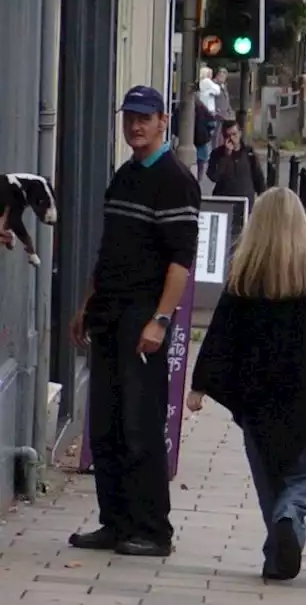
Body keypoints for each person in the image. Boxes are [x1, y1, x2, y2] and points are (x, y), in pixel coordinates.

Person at [186, 188, 306, 581]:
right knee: (302, 476)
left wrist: (200, 385)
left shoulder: (245, 271)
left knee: (268, 477)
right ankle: (287, 525)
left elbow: (221, 332)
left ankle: (278, 548)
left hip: (257, 397)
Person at [68, 85, 202, 558]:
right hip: (108, 311)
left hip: (142, 317)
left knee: (141, 426)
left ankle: (152, 530)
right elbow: (110, 251)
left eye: (145, 118)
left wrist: (160, 320)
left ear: (164, 121)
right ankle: (115, 521)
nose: (135, 126)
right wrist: (87, 302)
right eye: (129, 118)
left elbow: (181, 261)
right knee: (104, 424)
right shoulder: (124, 175)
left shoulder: (175, 180)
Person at [207, 120, 266, 209]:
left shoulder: (248, 152)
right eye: (227, 136)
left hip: (245, 202)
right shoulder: (217, 154)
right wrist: (226, 156)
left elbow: (258, 177)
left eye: (234, 134)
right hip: (224, 201)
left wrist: (263, 199)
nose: (231, 139)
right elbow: (213, 176)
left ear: (240, 134)